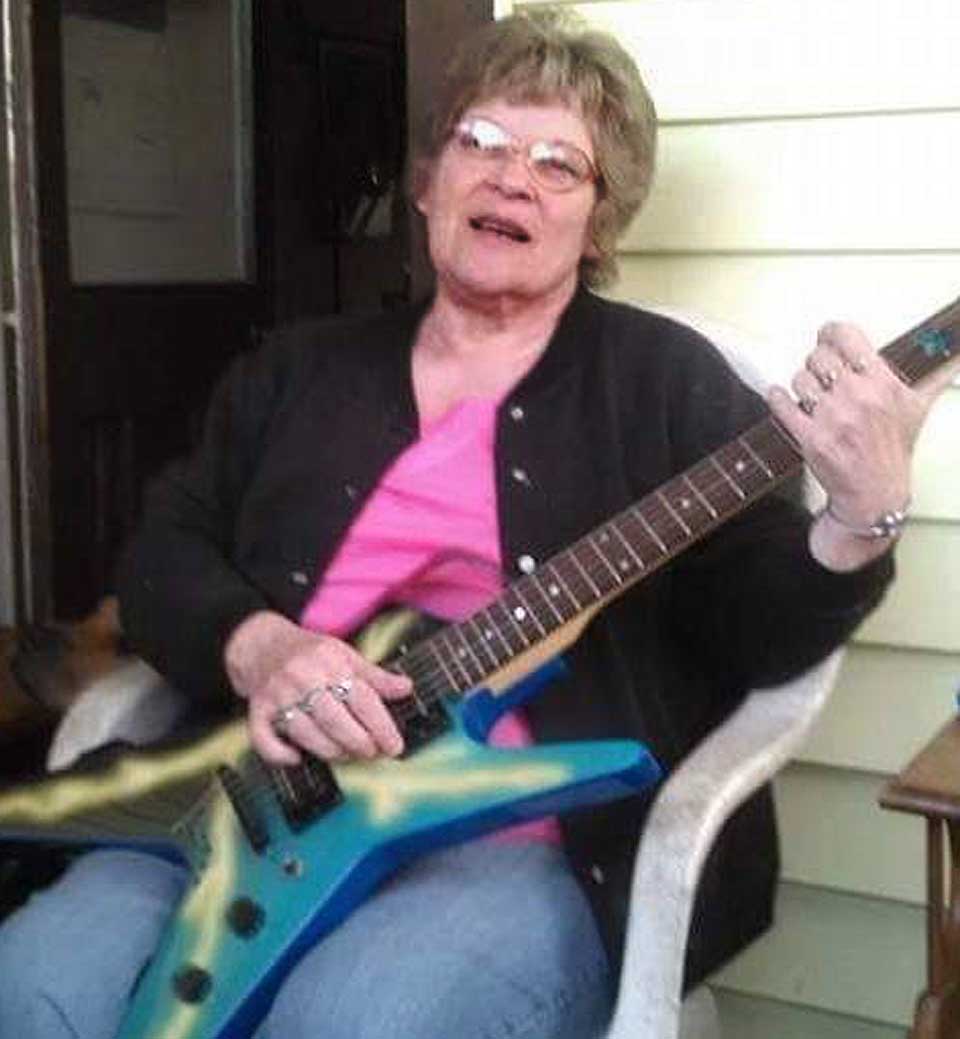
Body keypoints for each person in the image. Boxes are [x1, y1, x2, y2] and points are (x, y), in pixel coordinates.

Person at [0, 11, 953, 1039]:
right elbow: (162, 556)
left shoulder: (667, 384)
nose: (512, 179)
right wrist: (263, 646)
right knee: (37, 984)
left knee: (354, 1022)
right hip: (246, 804)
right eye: (482, 141)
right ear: (426, 182)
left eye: (558, 164)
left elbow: (760, 628)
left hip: (523, 843)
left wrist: (862, 514)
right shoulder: (295, 370)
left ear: (598, 223)